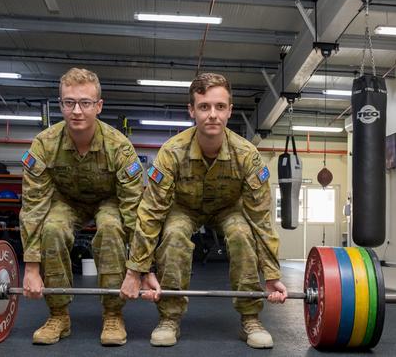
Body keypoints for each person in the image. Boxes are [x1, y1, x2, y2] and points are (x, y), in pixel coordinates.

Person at [120, 72, 287, 349]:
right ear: (192, 110)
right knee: (173, 233)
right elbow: (151, 212)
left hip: (227, 208)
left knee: (242, 232)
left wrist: (271, 275)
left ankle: (251, 318)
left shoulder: (247, 155)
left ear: (230, 110)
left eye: (220, 107)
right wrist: (137, 269)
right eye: (204, 107)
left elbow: (261, 218)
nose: (212, 115)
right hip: (184, 207)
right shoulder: (172, 152)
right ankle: (169, 318)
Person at [20, 67, 144, 346]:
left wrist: (142, 269)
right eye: (69, 102)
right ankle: (58, 315)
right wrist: (30, 268)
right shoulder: (43, 145)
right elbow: (33, 206)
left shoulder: (120, 147)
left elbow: (134, 211)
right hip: (66, 200)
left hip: (108, 200)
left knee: (112, 226)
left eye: (85, 103)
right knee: (51, 227)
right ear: (61, 104)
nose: (77, 110)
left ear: (98, 106)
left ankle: (113, 314)